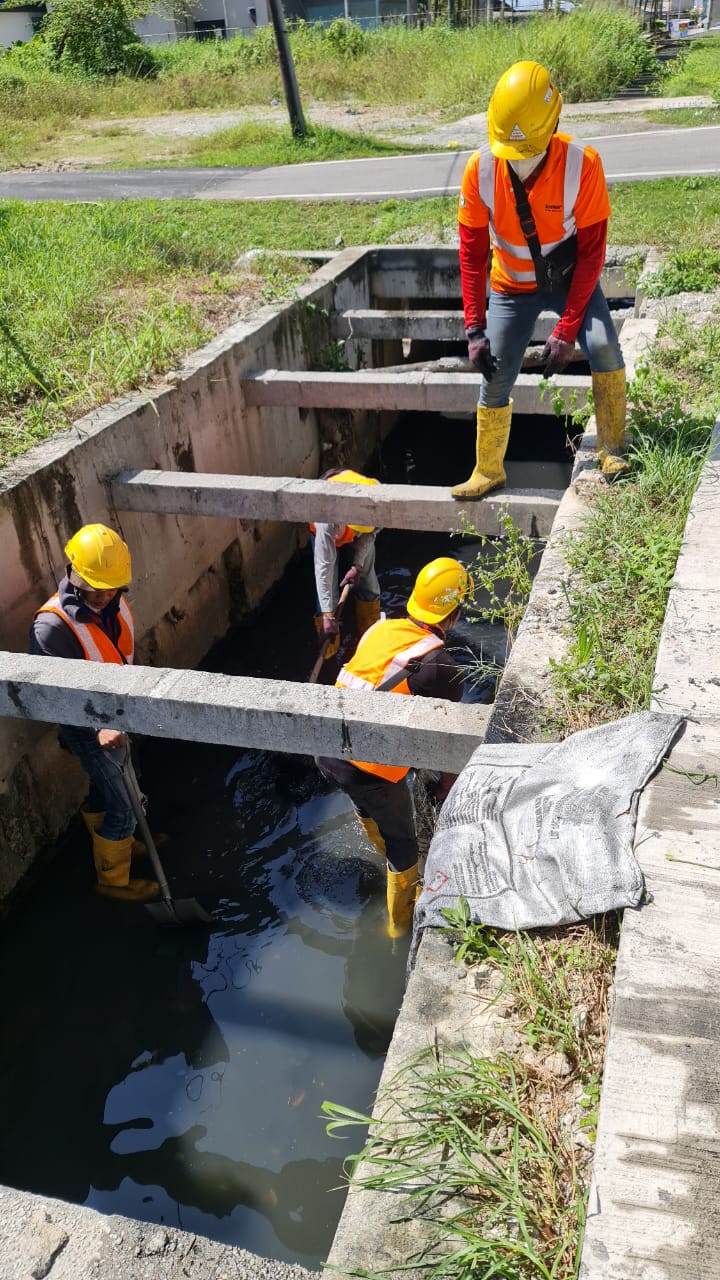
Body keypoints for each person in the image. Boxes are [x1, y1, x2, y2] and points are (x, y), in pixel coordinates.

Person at [453, 59, 627, 500]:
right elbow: (472, 254)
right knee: (493, 373)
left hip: (570, 281)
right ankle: (487, 469)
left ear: (551, 129)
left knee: (604, 345)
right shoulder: (480, 170)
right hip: (511, 286)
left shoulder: (583, 165)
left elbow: (591, 254)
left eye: (527, 151)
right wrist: (474, 327)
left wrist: (567, 331)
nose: (518, 162)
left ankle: (611, 447)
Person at [315, 557, 471, 938]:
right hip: (367, 767)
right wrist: (446, 784)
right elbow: (448, 740)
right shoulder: (441, 665)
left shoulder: (381, 629)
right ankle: (399, 926)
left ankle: (377, 841)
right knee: (404, 846)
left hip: (324, 747)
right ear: (454, 613)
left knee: (365, 802)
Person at [28, 523, 159, 902]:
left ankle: (121, 840)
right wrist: (99, 726)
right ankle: (112, 880)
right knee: (125, 804)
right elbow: (55, 694)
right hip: (89, 731)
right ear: (73, 572)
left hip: (118, 716)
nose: (103, 595)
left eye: (112, 586)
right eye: (95, 586)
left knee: (113, 789)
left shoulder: (113, 603)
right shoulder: (51, 629)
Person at [310, 468, 382, 660]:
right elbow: (324, 567)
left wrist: (357, 565)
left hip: (356, 530)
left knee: (368, 581)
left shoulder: (379, 502)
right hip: (324, 524)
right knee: (327, 593)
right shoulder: (325, 519)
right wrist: (327, 615)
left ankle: (371, 638)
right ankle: (329, 649)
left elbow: (370, 534)